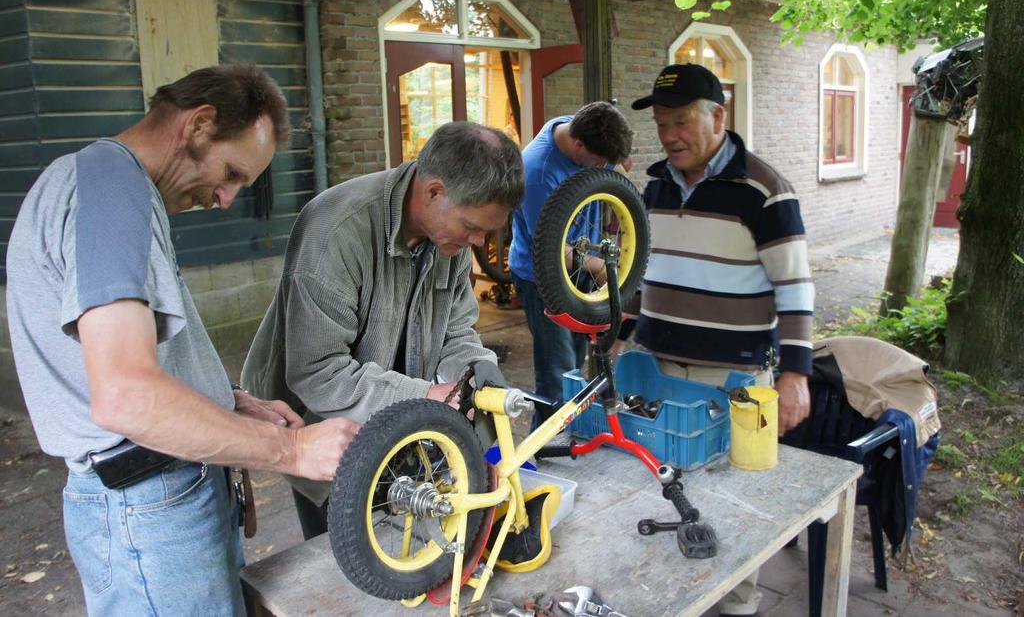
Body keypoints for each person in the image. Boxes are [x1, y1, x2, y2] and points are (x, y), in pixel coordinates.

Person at [5, 64, 361, 616]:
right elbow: (126, 395)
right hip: (148, 504)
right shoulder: (112, 197)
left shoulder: (105, 182)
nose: (224, 199)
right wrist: (293, 450)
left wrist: (227, 402)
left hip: (151, 494)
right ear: (198, 125)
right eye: (231, 173)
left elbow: (124, 361)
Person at [242, 121, 525, 540]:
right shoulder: (336, 231)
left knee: (410, 534)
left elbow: (456, 331)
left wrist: (479, 381)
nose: (479, 242)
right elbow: (318, 373)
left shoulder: (451, 238)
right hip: (315, 424)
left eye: (488, 231)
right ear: (433, 192)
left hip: (397, 415)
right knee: (345, 559)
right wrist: (427, 396)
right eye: (471, 226)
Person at [626, 63, 814, 617]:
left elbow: (795, 288)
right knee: (659, 486)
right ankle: (672, 595)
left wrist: (797, 374)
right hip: (654, 367)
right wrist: (622, 331)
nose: (669, 135)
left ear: (718, 118)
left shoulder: (765, 190)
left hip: (731, 376)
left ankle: (736, 606)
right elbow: (643, 270)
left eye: (680, 121)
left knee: (732, 501)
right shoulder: (653, 185)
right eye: (661, 123)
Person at [507, 101, 634, 427]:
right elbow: (551, 250)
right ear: (578, 146)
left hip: (584, 264)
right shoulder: (537, 172)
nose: (604, 166)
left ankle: (575, 436)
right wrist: (605, 267)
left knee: (579, 358)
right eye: (599, 161)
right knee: (558, 372)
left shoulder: (579, 126)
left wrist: (618, 198)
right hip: (544, 275)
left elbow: (618, 172)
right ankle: (547, 456)